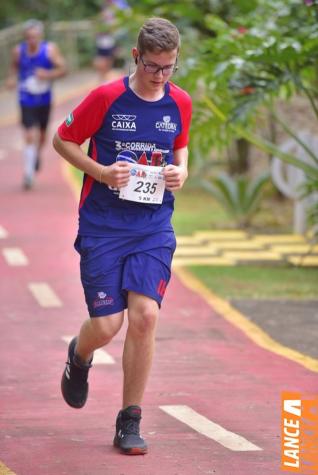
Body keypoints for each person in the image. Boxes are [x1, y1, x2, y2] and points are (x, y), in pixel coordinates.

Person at [53, 17, 192, 455]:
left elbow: (181, 146)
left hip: (152, 227)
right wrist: (100, 171)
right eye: (153, 66)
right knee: (107, 325)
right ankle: (79, 354)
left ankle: (129, 420)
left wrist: (180, 171)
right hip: (103, 226)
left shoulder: (180, 102)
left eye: (169, 67)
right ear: (136, 57)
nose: (161, 76)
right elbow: (63, 140)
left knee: (146, 315)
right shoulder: (107, 97)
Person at [7, 19, 66, 189]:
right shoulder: (18, 51)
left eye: (34, 37)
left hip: (44, 99)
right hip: (25, 98)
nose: (31, 40)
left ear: (40, 36)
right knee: (29, 135)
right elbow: (13, 67)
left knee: (41, 136)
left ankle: (36, 155)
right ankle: (28, 174)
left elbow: (63, 69)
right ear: (25, 37)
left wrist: (48, 74)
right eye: (28, 37)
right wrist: (11, 79)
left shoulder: (50, 50)